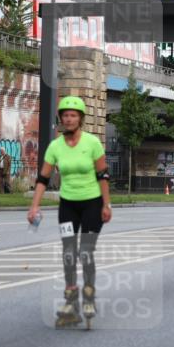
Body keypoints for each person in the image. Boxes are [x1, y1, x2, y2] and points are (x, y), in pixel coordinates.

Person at [27, 96, 112, 329]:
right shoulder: (55, 146)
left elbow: (102, 175)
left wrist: (106, 204)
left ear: (81, 119)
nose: (69, 118)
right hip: (68, 204)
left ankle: (89, 296)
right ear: (61, 119)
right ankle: (71, 300)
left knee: (85, 251)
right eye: (65, 115)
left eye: (73, 115)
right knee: (68, 252)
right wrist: (35, 205)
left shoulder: (92, 143)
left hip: (93, 203)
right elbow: (43, 178)